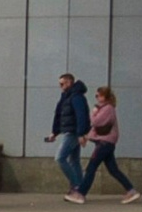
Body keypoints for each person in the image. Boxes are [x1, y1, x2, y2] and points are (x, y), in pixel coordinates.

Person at [76, 85, 137, 202]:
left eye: (98, 95)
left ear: (104, 96)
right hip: (106, 143)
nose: (96, 98)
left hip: (104, 144)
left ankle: (80, 193)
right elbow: (96, 128)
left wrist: (93, 113)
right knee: (113, 169)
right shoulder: (105, 108)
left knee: (91, 168)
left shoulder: (107, 108)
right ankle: (131, 190)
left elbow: (96, 122)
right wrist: (87, 137)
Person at [49, 71, 90, 199]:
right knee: (74, 161)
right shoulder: (67, 97)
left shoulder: (76, 97)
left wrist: (81, 134)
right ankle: (80, 188)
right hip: (72, 131)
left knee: (60, 158)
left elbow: (81, 116)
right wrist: (55, 132)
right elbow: (60, 115)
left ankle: (77, 186)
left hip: (72, 132)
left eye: (62, 84)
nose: (60, 86)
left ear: (69, 82)